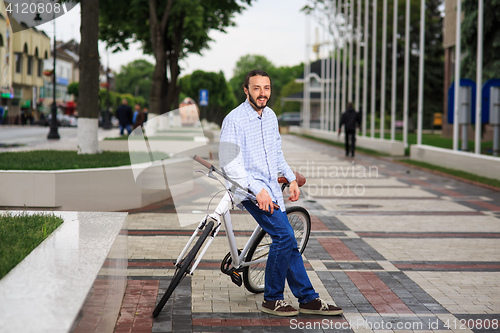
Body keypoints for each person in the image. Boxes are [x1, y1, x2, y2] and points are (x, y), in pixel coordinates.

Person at [219, 69, 343, 317]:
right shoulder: (234, 119)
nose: (262, 93)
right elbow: (229, 164)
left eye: (266, 88)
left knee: (289, 244)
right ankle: (272, 298)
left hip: (272, 189)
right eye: (256, 88)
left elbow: (277, 154)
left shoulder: (271, 116)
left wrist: (291, 177)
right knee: (285, 237)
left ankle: (307, 299)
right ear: (246, 90)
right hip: (249, 190)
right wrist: (258, 190)